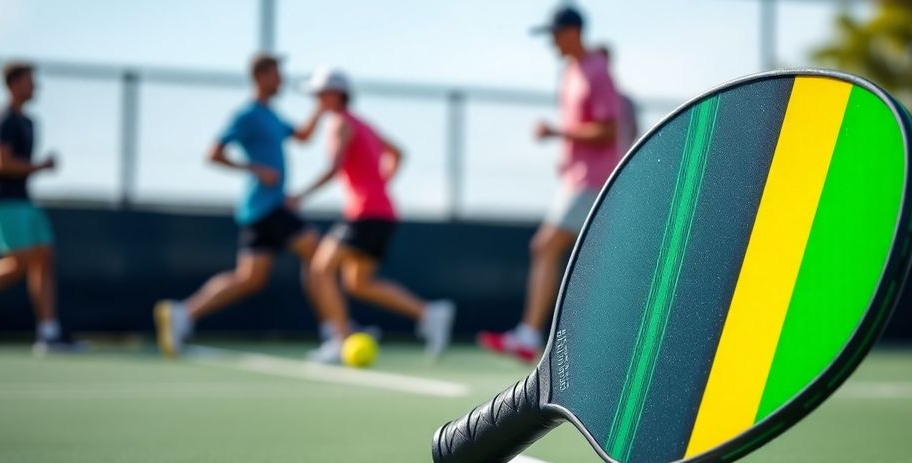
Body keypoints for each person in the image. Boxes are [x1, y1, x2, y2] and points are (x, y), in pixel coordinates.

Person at [154, 54, 327, 357]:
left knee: (250, 279)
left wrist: (320, 106)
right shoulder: (246, 115)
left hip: (264, 211)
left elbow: (302, 137)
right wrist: (254, 169)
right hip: (266, 207)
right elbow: (213, 153)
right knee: (321, 254)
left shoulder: (272, 115)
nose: (281, 80)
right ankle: (336, 328)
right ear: (260, 76)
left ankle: (183, 313)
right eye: (276, 74)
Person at [479, 6, 621, 363]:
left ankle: (529, 336)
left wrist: (556, 132)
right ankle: (576, 339)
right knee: (592, 258)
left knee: (546, 246)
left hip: (594, 181)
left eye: (555, 35)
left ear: (572, 31)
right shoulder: (571, 72)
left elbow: (609, 130)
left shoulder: (596, 71)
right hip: (576, 179)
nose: (552, 43)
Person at [291, 68, 454, 364]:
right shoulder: (362, 124)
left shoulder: (340, 124)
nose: (316, 100)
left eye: (321, 94)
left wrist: (300, 196)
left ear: (337, 95)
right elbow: (398, 153)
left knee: (319, 270)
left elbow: (335, 167)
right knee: (358, 283)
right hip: (382, 211)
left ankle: (339, 341)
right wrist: (380, 184)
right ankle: (429, 313)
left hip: (364, 213)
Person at [0, 61, 84, 354]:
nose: (35, 86)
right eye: (30, 81)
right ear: (14, 84)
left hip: (24, 201)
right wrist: (40, 166)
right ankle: (48, 331)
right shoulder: (4, 120)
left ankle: (48, 332)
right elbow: (2, 163)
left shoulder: (29, 122)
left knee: (43, 256)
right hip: (5, 201)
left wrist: (37, 168)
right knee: (19, 264)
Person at [597, 44, 640, 155]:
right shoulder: (626, 101)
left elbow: (634, 130)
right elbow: (635, 130)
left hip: (619, 160)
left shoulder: (626, 102)